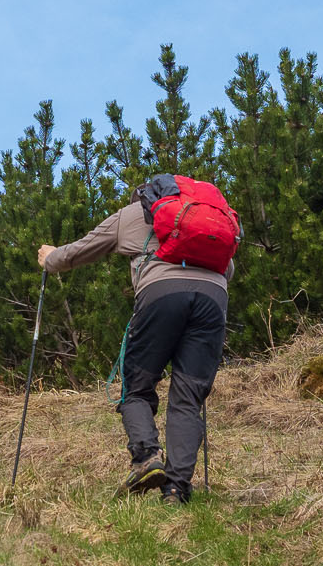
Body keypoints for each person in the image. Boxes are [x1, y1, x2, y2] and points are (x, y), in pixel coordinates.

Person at [38, 176, 232, 504]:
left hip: (161, 294)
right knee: (187, 397)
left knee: (136, 387)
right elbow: (228, 270)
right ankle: (176, 490)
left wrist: (50, 258)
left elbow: (81, 250)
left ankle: (146, 456)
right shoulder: (207, 217)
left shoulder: (130, 215)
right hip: (213, 298)